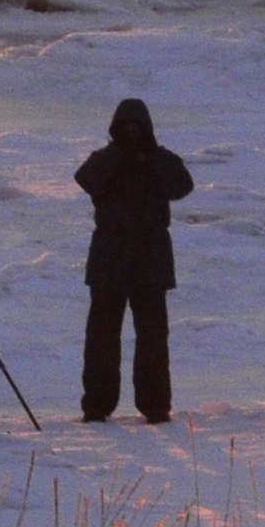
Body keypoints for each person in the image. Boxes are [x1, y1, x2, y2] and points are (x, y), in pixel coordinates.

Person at [75, 97, 195, 423]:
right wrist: (118, 153)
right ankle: (97, 405)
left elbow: (182, 186)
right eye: (125, 128)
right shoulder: (105, 159)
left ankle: (155, 405)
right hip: (111, 259)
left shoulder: (159, 159)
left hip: (148, 260)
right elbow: (85, 179)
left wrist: (150, 157)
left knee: (153, 341)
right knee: (102, 340)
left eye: (136, 128)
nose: (131, 134)